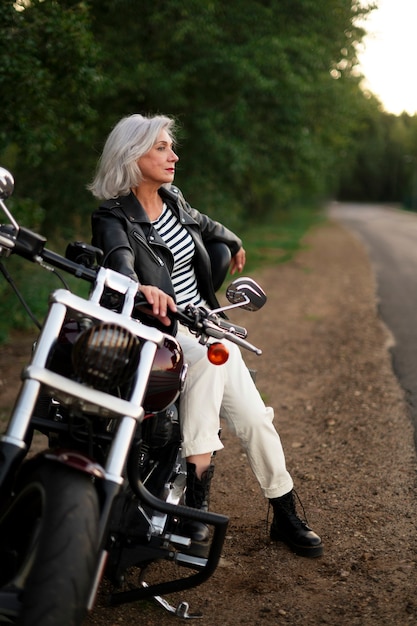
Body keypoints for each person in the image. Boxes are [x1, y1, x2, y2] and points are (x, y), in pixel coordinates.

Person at [88, 113, 323, 558]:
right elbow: (118, 258)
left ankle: (283, 511)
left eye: (170, 147)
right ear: (131, 154)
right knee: (216, 354)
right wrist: (140, 285)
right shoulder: (113, 215)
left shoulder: (173, 199)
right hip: (161, 331)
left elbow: (209, 226)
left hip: (204, 324)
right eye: (160, 147)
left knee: (254, 419)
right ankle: (196, 495)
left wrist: (232, 243)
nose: (172, 155)